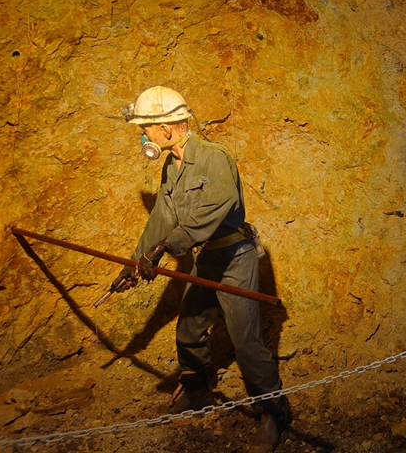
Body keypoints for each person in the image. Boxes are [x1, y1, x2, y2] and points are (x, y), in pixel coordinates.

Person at [112, 85, 290, 452]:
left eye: (146, 127)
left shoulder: (214, 157)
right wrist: (137, 261)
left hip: (234, 258)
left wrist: (167, 247)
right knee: (189, 328)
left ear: (167, 128)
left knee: (246, 342)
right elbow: (163, 215)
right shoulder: (171, 165)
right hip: (206, 258)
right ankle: (197, 393)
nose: (143, 135)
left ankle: (274, 412)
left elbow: (219, 206)